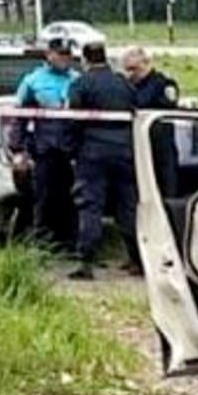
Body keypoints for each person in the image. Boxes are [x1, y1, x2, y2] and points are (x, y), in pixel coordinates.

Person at [66, 42, 140, 280]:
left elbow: (73, 120)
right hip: (124, 151)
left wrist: (71, 150)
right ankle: (137, 259)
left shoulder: (81, 84)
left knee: (90, 205)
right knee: (127, 206)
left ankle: (86, 262)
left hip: (93, 153)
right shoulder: (123, 83)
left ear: (85, 60)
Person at [8, 38, 80, 253]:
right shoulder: (33, 81)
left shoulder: (77, 80)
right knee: (44, 197)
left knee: (71, 197)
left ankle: (69, 241)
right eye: (60, 55)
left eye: (67, 55)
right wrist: (18, 149)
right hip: (45, 148)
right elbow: (19, 117)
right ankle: (43, 241)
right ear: (49, 55)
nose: (64, 59)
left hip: (71, 149)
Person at [121, 46, 182, 198]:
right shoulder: (128, 85)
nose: (129, 74)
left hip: (160, 144)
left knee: (165, 185)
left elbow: (167, 107)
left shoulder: (163, 84)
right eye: (126, 69)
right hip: (138, 144)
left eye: (133, 69)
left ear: (145, 63)